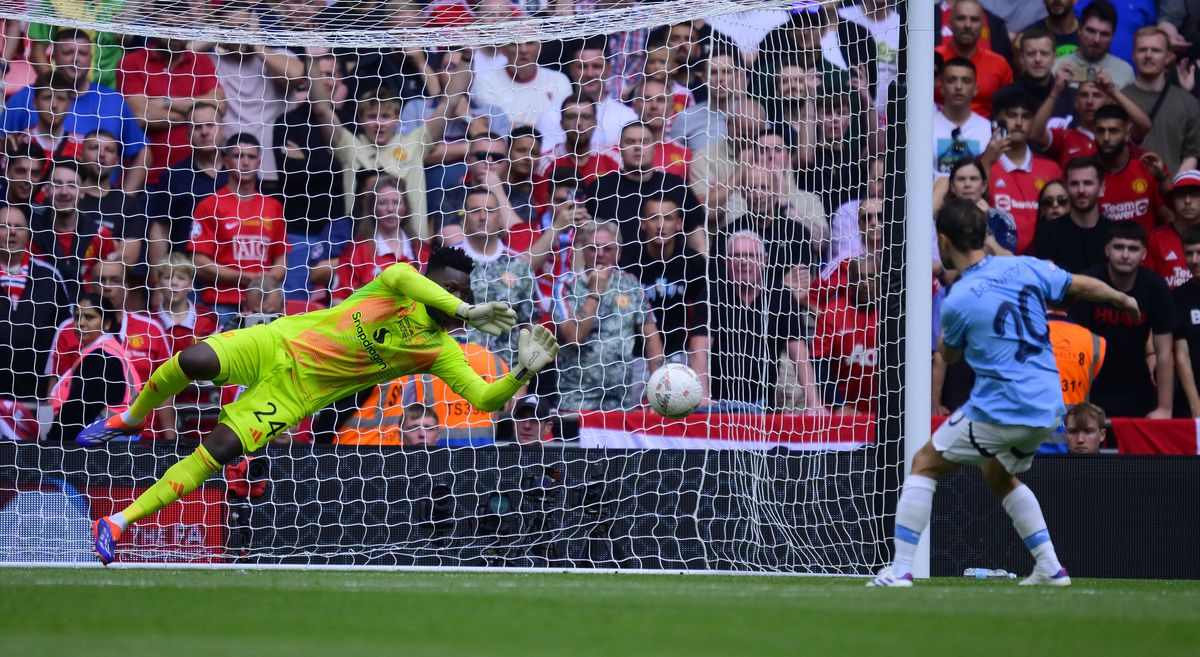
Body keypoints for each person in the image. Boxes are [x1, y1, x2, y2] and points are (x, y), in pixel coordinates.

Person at [78, 246, 561, 564]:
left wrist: (522, 372)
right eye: (447, 286)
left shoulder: (440, 349)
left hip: (297, 395)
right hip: (279, 342)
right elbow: (401, 274)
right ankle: (132, 415)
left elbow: (483, 397)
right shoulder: (395, 285)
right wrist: (464, 309)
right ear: (430, 279)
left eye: (461, 292)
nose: (453, 295)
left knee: (219, 451)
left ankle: (118, 522)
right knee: (193, 358)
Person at [868, 198, 1138, 587]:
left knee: (924, 463)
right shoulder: (1024, 265)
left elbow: (948, 353)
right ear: (983, 236)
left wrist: (952, 335)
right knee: (997, 473)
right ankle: (1051, 568)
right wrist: (1124, 299)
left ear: (943, 242)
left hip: (1002, 408)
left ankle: (900, 570)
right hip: (1049, 407)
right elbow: (1081, 284)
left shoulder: (958, 300)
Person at [707, 230, 823, 413]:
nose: (744, 262)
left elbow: (799, 353)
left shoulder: (781, 296)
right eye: (736, 256)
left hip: (763, 406)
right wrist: (703, 400)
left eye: (751, 255)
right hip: (716, 405)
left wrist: (814, 403)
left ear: (765, 259)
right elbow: (700, 350)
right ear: (725, 261)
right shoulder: (711, 295)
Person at [554, 221, 664, 411]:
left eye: (608, 248)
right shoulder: (566, 286)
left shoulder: (630, 286)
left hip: (620, 404)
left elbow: (652, 339)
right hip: (575, 402)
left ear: (619, 253)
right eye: (593, 248)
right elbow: (574, 337)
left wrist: (658, 393)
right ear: (583, 251)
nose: (601, 254)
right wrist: (595, 292)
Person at [1072, 222, 1177, 418]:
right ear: (1107, 250)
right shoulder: (1090, 282)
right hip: (1093, 386)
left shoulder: (1156, 287)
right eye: (1119, 247)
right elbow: (1075, 347)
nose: (1126, 255)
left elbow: (1164, 352)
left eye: (1133, 248)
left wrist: (1165, 408)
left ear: (1144, 254)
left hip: (1138, 386)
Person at [187, 133, 289, 322]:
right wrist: (249, 278)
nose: (245, 162)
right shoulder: (209, 205)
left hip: (263, 304)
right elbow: (199, 264)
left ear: (259, 162)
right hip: (221, 303)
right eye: (238, 156)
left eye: (251, 157)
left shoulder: (273, 206)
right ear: (225, 161)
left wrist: (261, 283)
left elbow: (281, 260)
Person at [46, 294, 141, 444]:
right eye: (77, 317)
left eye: (89, 317)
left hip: (103, 445)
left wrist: (52, 442)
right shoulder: (105, 351)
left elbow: (79, 410)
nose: (80, 323)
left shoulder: (100, 358)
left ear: (107, 323)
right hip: (113, 440)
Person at [0, 204, 71, 402]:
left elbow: (66, 332)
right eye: (4, 226)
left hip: (36, 398)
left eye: (19, 227)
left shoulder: (50, 278)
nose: (12, 232)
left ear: (29, 233)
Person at [984, 88, 1064, 253]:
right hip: (995, 263)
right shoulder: (983, 165)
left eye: (1026, 116)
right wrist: (986, 162)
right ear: (996, 121)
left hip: (1043, 263)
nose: (1019, 123)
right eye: (1012, 115)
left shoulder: (1052, 170)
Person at [1122, 27, 1200, 174]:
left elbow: (1192, 154)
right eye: (1142, 50)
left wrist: (1173, 187)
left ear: (1168, 57)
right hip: (1129, 191)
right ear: (1133, 55)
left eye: (1156, 50)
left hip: (1172, 189)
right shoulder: (1118, 100)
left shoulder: (1188, 103)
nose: (1148, 55)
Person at [1091, 104, 1170, 233]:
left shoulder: (1147, 164)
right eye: (1100, 131)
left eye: (1113, 131)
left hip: (1145, 249)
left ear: (1127, 133)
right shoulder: (1086, 170)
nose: (1106, 138)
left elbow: (1170, 219)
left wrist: (1162, 179)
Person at [1033, 157, 1114, 272]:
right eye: (1074, 184)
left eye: (1088, 183)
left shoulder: (1113, 234)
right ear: (1066, 188)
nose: (1081, 190)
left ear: (1101, 188)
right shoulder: (1048, 233)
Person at [935, 0, 1013, 118]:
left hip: (987, 132)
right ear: (950, 24)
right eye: (961, 19)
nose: (968, 25)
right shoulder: (932, 59)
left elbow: (1009, 108)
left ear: (983, 25)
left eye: (974, 20)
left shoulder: (999, 64)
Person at [1052, 0, 1135, 88]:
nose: (1096, 40)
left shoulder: (1125, 73)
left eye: (1104, 34)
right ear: (1079, 29)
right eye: (1091, 31)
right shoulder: (1057, 68)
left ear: (1113, 36)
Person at [933, 58, 992, 176]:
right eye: (951, 80)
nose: (959, 86)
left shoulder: (988, 129)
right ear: (941, 86)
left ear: (976, 88)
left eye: (966, 81)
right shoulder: (926, 127)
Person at [1147, 170, 1200, 288]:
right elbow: (1147, 285)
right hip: (1168, 305)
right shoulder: (1154, 241)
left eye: (1195, 195)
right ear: (1172, 200)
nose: (1187, 201)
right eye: (1181, 195)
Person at [1171, 225, 1200, 417]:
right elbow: (1182, 355)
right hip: (1190, 398)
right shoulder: (1176, 297)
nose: (1195, 260)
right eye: (1189, 253)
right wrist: (1196, 406)